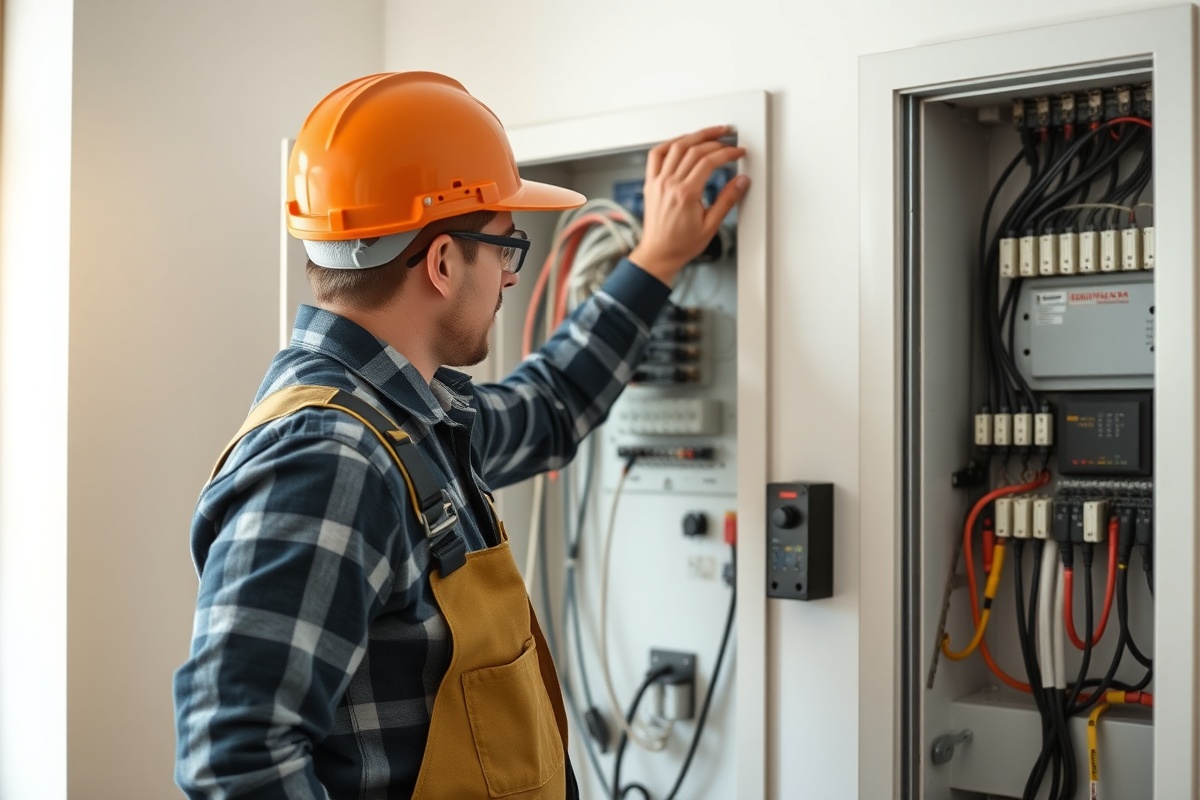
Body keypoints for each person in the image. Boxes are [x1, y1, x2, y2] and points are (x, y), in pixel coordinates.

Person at [173, 71, 748, 800]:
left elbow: (549, 406)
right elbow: (233, 758)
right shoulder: (330, 458)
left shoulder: (406, 426)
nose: (511, 277)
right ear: (444, 262)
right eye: (507, 248)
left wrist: (656, 260)